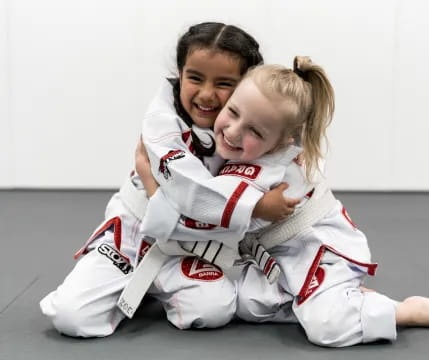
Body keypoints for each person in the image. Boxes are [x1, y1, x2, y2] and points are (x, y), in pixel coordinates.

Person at [136, 56, 429, 347]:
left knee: (324, 327)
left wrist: (150, 179)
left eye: (255, 131)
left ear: (285, 138)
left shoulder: (266, 176)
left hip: (318, 254)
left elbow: (200, 214)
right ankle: (347, 300)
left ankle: (404, 311)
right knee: (242, 303)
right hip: (280, 256)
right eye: (233, 111)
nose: (234, 131)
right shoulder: (252, 153)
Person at [39, 22, 295, 338]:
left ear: (247, 84)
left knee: (213, 310)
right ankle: (128, 277)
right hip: (134, 236)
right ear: (180, 72)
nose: (206, 94)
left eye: (224, 83)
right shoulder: (162, 124)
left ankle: (155, 284)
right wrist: (255, 206)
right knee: (71, 317)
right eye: (195, 78)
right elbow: (194, 196)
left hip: (194, 249)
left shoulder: (253, 128)